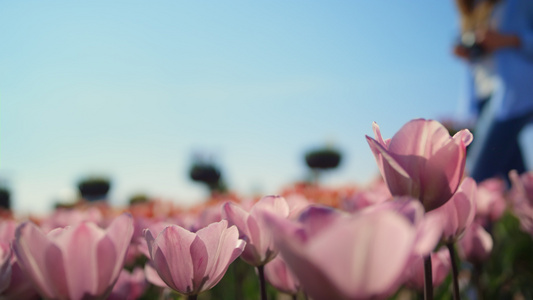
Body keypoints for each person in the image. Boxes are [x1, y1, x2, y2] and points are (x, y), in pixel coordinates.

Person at [453, 0, 533, 185]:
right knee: (516, 179)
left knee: (477, 175)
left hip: (514, 93)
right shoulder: (471, 9)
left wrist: (507, 40)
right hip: (482, 95)